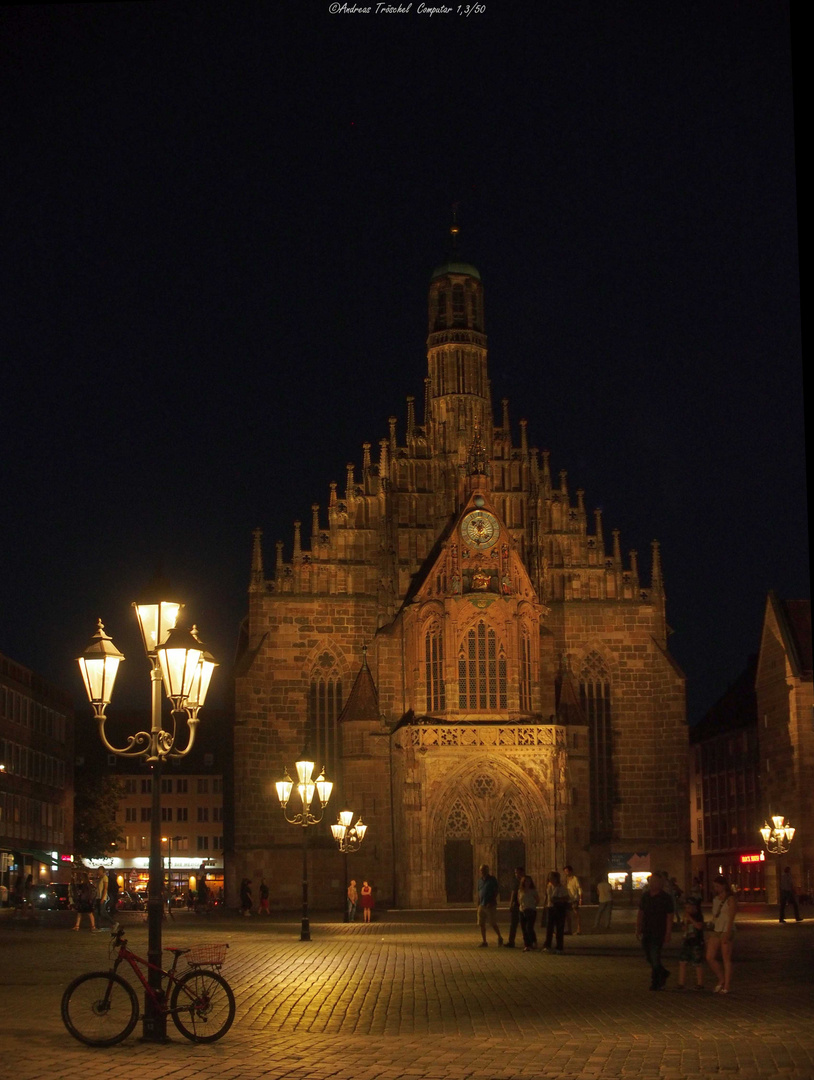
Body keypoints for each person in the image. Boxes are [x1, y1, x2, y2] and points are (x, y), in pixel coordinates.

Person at [636, 872, 674, 989]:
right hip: (647, 929)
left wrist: (668, 932)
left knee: (654, 955)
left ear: (660, 883)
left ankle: (656, 981)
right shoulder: (646, 896)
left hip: (659, 930)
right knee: (648, 955)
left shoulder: (665, 898)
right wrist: (638, 927)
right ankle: (662, 972)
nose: (653, 884)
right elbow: (641, 912)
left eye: (656, 882)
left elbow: (669, 916)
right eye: (651, 881)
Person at [706, 874, 737, 994]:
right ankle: (721, 979)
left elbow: (731, 917)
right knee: (709, 957)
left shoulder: (731, 899)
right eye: (714, 886)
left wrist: (728, 932)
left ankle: (727, 985)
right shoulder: (716, 899)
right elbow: (715, 916)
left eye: (718, 886)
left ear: (724, 886)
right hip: (717, 929)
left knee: (726, 958)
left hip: (726, 929)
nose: (716, 888)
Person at [676, 893, 705, 990]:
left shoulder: (698, 915)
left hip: (696, 941)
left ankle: (700, 983)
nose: (687, 909)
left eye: (689, 907)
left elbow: (699, 926)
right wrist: (684, 926)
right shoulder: (686, 916)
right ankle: (681, 983)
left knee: (697, 962)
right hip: (687, 940)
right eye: (686, 907)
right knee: (682, 961)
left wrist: (690, 919)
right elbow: (684, 928)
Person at [542, 871, 570, 953]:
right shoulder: (549, 886)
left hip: (559, 908)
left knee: (559, 928)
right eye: (549, 877)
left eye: (552, 877)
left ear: (556, 878)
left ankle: (559, 947)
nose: (550, 879)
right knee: (549, 928)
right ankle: (547, 945)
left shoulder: (561, 887)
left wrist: (557, 899)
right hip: (550, 908)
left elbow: (566, 898)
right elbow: (548, 898)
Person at [476, 865, 503, 947]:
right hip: (482, 904)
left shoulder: (492, 879)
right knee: (481, 923)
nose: (482, 872)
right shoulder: (480, 881)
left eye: (484, 870)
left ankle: (499, 937)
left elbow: (496, 891)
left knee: (492, 923)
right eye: (481, 870)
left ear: (487, 870)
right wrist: (478, 903)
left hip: (490, 905)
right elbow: (479, 892)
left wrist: (491, 901)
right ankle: (484, 941)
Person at [518, 874, 539, 951]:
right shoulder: (520, 891)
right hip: (522, 910)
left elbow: (537, 900)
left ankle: (533, 941)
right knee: (524, 928)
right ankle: (527, 945)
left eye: (528, 881)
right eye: (525, 881)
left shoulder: (533, 891)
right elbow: (519, 900)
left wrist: (533, 906)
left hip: (530, 910)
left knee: (529, 927)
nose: (527, 883)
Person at [506, 866, 524, 948]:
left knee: (525, 924)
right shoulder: (515, 881)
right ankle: (511, 941)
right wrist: (511, 903)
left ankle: (530, 941)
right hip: (517, 905)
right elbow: (513, 893)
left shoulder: (525, 881)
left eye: (518, 872)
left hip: (524, 904)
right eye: (516, 873)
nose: (517, 874)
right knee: (513, 924)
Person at [563, 865, 582, 934]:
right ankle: (569, 930)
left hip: (574, 898)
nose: (566, 873)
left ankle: (579, 929)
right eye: (565, 871)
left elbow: (579, 888)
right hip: (567, 899)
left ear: (571, 871)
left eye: (567, 871)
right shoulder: (565, 880)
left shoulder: (575, 879)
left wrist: (580, 898)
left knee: (576, 914)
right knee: (568, 915)